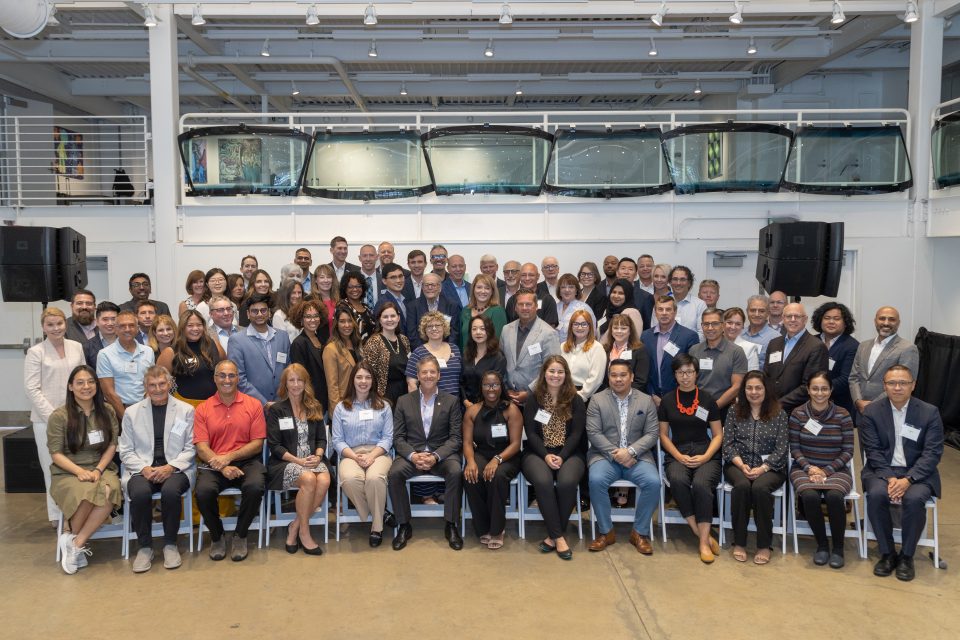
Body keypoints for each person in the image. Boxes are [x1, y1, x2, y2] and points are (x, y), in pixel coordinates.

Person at [860, 365, 944, 582]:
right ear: (884, 386)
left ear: (913, 385)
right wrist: (890, 478)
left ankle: (907, 556)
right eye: (891, 383)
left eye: (903, 383)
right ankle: (887, 553)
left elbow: (932, 452)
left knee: (915, 498)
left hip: (917, 472)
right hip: (881, 471)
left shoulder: (929, 412)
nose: (897, 388)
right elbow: (873, 451)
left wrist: (908, 480)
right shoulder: (871, 411)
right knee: (877, 495)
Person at [118, 366, 195, 572]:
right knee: (140, 493)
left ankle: (170, 544)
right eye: (152, 385)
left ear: (170, 384)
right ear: (145, 387)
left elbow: (191, 448)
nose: (158, 389)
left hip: (176, 468)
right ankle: (145, 547)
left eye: (162, 384)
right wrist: (143, 468)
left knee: (171, 492)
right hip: (142, 468)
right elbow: (125, 451)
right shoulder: (132, 413)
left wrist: (171, 467)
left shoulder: (186, 410)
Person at [49, 365, 122, 574]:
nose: (86, 386)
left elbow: (111, 445)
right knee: (86, 492)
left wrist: (98, 470)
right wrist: (79, 472)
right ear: (71, 387)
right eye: (80, 383)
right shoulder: (59, 416)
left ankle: (74, 543)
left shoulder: (106, 411)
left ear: (96, 386)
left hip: (101, 465)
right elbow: (56, 454)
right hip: (68, 470)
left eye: (90, 382)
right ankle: (72, 539)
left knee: (109, 490)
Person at [193, 359, 267, 562]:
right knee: (203, 492)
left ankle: (240, 535)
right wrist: (222, 464)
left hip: (246, 461)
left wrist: (229, 458)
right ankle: (217, 537)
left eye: (232, 375)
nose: (227, 380)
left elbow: (257, 443)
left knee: (255, 487)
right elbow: (201, 446)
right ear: (215, 378)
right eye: (222, 375)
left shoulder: (253, 405)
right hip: (214, 463)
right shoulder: (203, 409)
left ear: (238, 378)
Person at [388, 356, 465, 551]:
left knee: (456, 471)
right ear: (418, 375)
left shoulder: (451, 401)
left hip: (442, 456)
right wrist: (413, 456)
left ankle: (451, 524)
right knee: (395, 473)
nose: (428, 375)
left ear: (439, 375)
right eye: (424, 372)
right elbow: (398, 438)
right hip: (413, 455)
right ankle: (404, 525)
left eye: (432, 372)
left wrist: (435, 456)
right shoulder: (404, 401)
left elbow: (456, 438)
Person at [586, 359, 660, 555]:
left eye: (623, 375)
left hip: (638, 458)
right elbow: (593, 433)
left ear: (632, 377)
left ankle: (639, 533)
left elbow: (652, 433)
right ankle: (606, 532)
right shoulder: (597, 400)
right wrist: (617, 454)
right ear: (608, 377)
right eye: (613, 375)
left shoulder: (645, 400)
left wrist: (631, 451)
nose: (618, 379)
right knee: (595, 479)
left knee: (653, 482)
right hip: (605, 456)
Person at [658, 354, 723, 563]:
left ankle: (703, 543)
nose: (685, 377)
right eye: (680, 372)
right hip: (677, 451)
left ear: (696, 373)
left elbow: (718, 434)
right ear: (675, 375)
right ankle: (700, 534)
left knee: (702, 484)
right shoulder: (668, 400)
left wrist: (705, 456)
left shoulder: (707, 399)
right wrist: (677, 455)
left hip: (706, 451)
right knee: (678, 480)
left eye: (689, 372)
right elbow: (663, 435)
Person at [24, 307, 86, 525]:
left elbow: (83, 380)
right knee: (51, 466)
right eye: (50, 324)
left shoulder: (76, 347)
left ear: (65, 324)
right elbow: (32, 389)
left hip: (77, 416)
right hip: (46, 420)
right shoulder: (36, 352)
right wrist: (55, 416)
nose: (55, 328)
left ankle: (78, 509)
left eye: (59, 323)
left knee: (78, 463)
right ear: (43, 327)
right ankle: (57, 516)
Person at [522, 356, 586, 560]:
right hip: (537, 451)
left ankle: (552, 536)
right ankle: (559, 537)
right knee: (543, 481)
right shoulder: (534, 398)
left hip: (569, 452)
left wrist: (562, 456)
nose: (555, 375)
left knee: (567, 482)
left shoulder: (575, 400)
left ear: (566, 375)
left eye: (560, 372)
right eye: (552, 371)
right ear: (544, 374)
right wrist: (546, 455)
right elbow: (531, 433)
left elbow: (576, 434)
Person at [788, 372, 855, 569]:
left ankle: (838, 548)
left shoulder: (843, 415)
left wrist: (826, 471)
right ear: (808, 390)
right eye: (815, 388)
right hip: (803, 467)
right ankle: (823, 545)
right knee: (809, 496)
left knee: (835, 497)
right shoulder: (798, 414)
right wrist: (809, 468)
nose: (819, 393)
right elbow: (795, 448)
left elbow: (848, 450)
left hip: (837, 469)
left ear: (831, 390)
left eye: (824, 388)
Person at [722, 370, 789, 565]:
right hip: (738, 464)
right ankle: (740, 542)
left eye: (758, 388)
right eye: (749, 388)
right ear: (744, 390)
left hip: (771, 468)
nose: (754, 392)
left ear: (766, 389)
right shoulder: (734, 411)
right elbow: (728, 444)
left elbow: (782, 448)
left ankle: (763, 545)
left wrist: (762, 469)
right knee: (742, 487)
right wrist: (741, 464)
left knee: (760, 488)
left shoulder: (779, 413)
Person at [266, 364, 330, 555]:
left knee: (325, 480)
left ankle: (294, 525)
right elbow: (275, 445)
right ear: (285, 384)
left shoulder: (314, 406)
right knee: (309, 479)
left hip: (312, 459)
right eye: (291, 380)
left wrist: (318, 456)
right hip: (285, 462)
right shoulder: (277, 410)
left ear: (305, 383)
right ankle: (304, 532)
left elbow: (321, 439)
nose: (295, 385)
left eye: (299, 380)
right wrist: (298, 461)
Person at [331, 362, 396, 546]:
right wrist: (354, 456)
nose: (363, 381)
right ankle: (380, 513)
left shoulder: (384, 406)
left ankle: (376, 528)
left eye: (367, 377)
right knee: (349, 479)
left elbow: (387, 438)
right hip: (351, 453)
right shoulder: (341, 408)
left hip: (378, 453)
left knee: (375, 478)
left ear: (373, 381)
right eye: (359, 377)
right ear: (352, 380)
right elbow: (337, 440)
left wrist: (371, 456)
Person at [462, 370, 523, 549]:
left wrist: (497, 459)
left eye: (495, 385)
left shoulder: (511, 410)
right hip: (481, 453)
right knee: (470, 476)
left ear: (501, 387)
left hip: (507, 456)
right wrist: (471, 461)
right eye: (487, 385)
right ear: (481, 387)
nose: (491, 389)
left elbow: (516, 444)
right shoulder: (472, 411)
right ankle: (483, 527)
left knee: (496, 477)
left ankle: (497, 529)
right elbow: (466, 442)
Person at [848, 306, 920, 418]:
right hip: (860, 410)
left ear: (898, 323)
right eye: (882, 318)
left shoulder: (908, 348)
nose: (886, 323)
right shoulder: (863, 345)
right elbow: (854, 377)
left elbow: (904, 384)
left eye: (892, 319)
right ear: (875, 321)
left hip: (888, 411)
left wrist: (872, 405)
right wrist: (858, 401)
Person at [763, 303, 829, 414]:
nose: (792, 320)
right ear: (783, 319)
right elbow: (766, 375)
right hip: (771, 410)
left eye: (797, 316)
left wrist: (779, 404)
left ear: (805, 319)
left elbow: (810, 385)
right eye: (788, 316)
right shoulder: (774, 343)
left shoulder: (816, 346)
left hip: (799, 412)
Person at [500, 289, 562, 406]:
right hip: (509, 398)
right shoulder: (506, 330)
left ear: (536, 306)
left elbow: (552, 369)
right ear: (515, 308)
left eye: (528, 304)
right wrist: (505, 389)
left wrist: (529, 392)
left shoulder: (549, 333)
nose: (524, 308)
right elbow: (501, 361)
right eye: (520, 304)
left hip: (537, 399)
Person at [228, 292, 291, 407]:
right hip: (252, 405)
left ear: (269, 313)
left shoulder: (283, 337)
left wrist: (283, 398)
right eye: (254, 311)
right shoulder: (237, 340)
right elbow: (239, 378)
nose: (259, 314)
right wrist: (264, 403)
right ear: (248, 314)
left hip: (282, 403)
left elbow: (288, 369)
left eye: (263, 310)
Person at [689, 308, 748, 422]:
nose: (710, 328)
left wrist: (714, 407)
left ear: (723, 326)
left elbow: (737, 386)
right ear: (702, 326)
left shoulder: (736, 351)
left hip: (724, 410)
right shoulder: (694, 350)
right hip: (696, 408)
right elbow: (690, 380)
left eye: (715, 324)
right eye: (706, 324)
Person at [157, 310, 225, 407]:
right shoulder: (171, 351)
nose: (195, 328)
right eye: (190, 325)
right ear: (182, 327)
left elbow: (226, 369)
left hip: (215, 404)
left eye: (199, 325)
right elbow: (158, 381)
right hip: (185, 406)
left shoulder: (214, 344)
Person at [96, 310, 155, 420]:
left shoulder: (148, 351)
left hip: (144, 410)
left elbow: (150, 383)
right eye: (122, 326)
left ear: (137, 329)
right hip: (118, 412)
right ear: (116, 329)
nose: (127, 329)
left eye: (131, 325)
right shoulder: (105, 354)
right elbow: (109, 392)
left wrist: (145, 408)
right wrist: (126, 418)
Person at [641, 296, 699, 405]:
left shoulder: (689, 336)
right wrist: (652, 394)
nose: (664, 313)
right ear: (655, 312)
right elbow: (643, 369)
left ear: (675, 312)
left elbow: (692, 370)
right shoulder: (645, 336)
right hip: (651, 398)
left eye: (668, 309)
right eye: (660, 309)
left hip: (679, 398)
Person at [811, 301, 859, 416]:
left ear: (845, 323)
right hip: (809, 403)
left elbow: (846, 379)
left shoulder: (852, 346)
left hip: (839, 407)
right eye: (827, 318)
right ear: (820, 320)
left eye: (837, 318)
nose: (831, 322)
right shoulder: (811, 341)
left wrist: (817, 389)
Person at [361, 301, 412, 406]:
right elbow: (368, 373)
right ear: (380, 319)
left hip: (406, 394)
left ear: (398, 318)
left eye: (393, 316)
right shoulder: (373, 342)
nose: (389, 319)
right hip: (384, 396)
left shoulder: (404, 340)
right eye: (385, 317)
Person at [406, 311, 462, 399]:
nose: (434, 328)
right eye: (429, 326)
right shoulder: (418, 353)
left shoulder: (455, 348)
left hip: (456, 403)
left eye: (438, 325)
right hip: (430, 403)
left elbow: (461, 379)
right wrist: (417, 406)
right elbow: (411, 383)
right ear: (424, 330)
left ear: (444, 328)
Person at [288, 299, 330, 411]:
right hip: (310, 402)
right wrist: (309, 402)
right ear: (301, 320)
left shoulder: (322, 339)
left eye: (316, 315)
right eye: (308, 316)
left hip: (326, 399)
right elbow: (300, 378)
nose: (313, 320)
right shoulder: (298, 344)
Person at [460, 315, 508, 408]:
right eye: (474, 329)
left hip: (489, 407)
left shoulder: (498, 357)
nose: (478, 332)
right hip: (466, 406)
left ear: (489, 331)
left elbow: (495, 387)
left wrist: (478, 406)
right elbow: (461, 382)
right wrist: (465, 401)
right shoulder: (466, 355)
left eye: (482, 329)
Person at [406, 272, 461, 349]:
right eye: (426, 285)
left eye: (433, 285)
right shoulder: (412, 306)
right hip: (422, 353)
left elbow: (454, 333)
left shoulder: (452, 306)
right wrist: (425, 352)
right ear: (422, 287)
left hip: (445, 352)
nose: (430, 288)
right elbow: (412, 334)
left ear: (440, 287)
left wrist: (445, 350)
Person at [560, 309, 607, 402]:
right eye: (576, 324)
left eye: (584, 324)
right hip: (563, 392)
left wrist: (580, 396)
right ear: (571, 326)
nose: (580, 328)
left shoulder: (597, 348)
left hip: (584, 396)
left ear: (590, 327)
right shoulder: (563, 346)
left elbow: (596, 379)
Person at [323, 307, 361, 411]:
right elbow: (332, 386)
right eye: (342, 321)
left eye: (350, 321)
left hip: (361, 403)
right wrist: (338, 411)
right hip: (343, 405)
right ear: (336, 324)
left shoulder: (358, 345)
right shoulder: (331, 349)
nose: (347, 325)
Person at [599, 313, 649, 392]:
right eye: (615, 328)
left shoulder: (639, 350)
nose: (619, 331)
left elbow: (640, 381)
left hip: (631, 396)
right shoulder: (605, 349)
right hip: (608, 395)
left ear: (630, 331)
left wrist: (622, 393)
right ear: (611, 331)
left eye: (623, 328)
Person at [457, 273, 507, 351]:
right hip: (466, 359)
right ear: (473, 289)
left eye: (487, 288)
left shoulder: (498, 311)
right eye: (479, 287)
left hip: (488, 360)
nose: (483, 291)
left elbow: (497, 341)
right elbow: (461, 340)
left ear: (492, 291)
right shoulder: (465, 311)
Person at [505, 263, 559, 327]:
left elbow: (550, 328)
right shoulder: (512, 300)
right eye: (524, 275)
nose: (527, 278)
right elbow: (509, 326)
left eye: (531, 275)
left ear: (538, 276)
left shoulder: (547, 299)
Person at [740, 295, 781, 368]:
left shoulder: (776, 338)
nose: (757, 314)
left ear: (768, 313)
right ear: (747, 311)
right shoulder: (739, 334)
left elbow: (775, 368)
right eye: (753, 310)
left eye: (761, 311)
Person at [555, 272, 597, 342]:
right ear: (559, 291)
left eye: (571, 287)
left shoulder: (584, 308)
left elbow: (593, 333)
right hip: (556, 349)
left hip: (577, 350)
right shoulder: (555, 307)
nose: (567, 290)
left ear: (576, 290)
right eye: (563, 287)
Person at [668, 266, 707, 340]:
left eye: (682, 279)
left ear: (689, 283)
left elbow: (702, 333)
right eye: (675, 279)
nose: (678, 283)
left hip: (691, 349)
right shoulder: (662, 303)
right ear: (670, 282)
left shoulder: (700, 305)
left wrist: (686, 345)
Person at [337, 271, 375, 343]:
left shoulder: (366, 307)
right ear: (345, 288)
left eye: (358, 286)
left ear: (363, 287)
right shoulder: (342, 307)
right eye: (350, 287)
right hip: (352, 351)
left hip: (369, 351)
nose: (355, 289)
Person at [616, 258, 654, 328]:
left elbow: (648, 326)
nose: (626, 272)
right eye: (623, 268)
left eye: (630, 269)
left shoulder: (646, 297)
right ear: (617, 273)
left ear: (636, 274)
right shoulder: (611, 295)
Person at [84, 301, 120, 369]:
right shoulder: (87, 347)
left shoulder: (128, 342)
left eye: (113, 319)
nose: (110, 323)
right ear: (97, 322)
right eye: (105, 319)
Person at [723, 307, 760, 371]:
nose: (733, 327)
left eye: (738, 324)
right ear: (722, 324)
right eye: (729, 322)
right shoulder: (713, 344)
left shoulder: (750, 348)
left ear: (742, 326)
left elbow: (753, 376)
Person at [374, 263, 410, 328]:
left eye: (400, 276)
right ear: (384, 281)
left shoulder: (405, 300)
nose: (398, 280)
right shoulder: (382, 303)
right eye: (393, 277)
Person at [272, 279, 305, 343]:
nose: (297, 296)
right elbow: (281, 341)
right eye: (293, 293)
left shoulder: (304, 311)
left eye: (299, 292)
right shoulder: (279, 315)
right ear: (286, 295)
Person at [311, 263, 340, 327]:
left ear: (333, 279)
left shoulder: (340, 299)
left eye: (329, 277)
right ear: (316, 280)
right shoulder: (309, 301)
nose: (326, 280)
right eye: (322, 277)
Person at [357, 243, 382, 309]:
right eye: (364, 255)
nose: (368, 259)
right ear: (360, 258)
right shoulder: (353, 280)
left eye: (371, 255)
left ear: (377, 257)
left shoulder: (384, 280)